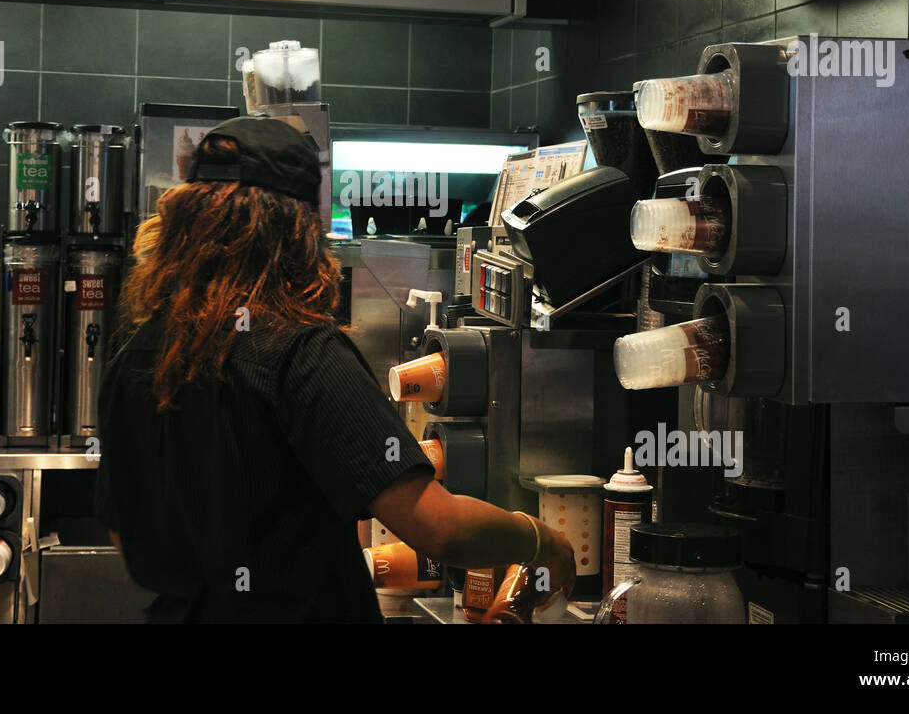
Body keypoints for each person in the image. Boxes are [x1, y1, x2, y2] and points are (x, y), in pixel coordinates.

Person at [95, 116, 574, 623]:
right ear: (295, 230)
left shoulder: (138, 357)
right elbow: (440, 527)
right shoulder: (297, 351)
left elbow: (126, 537)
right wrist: (542, 540)